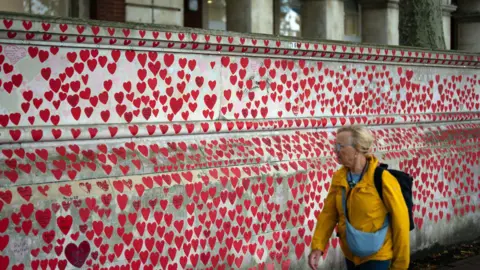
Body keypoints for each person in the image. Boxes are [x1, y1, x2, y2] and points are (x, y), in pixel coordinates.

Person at [308, 125, 410, 270]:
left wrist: (400, 265)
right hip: (351, 255)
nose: (335, 150)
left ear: (357, 149)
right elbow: (329, 214)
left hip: (377, 257)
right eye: (335, 145)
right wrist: (318, 246)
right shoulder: (340, 177)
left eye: (340, 146)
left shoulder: (383, 179)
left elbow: (401, 223)